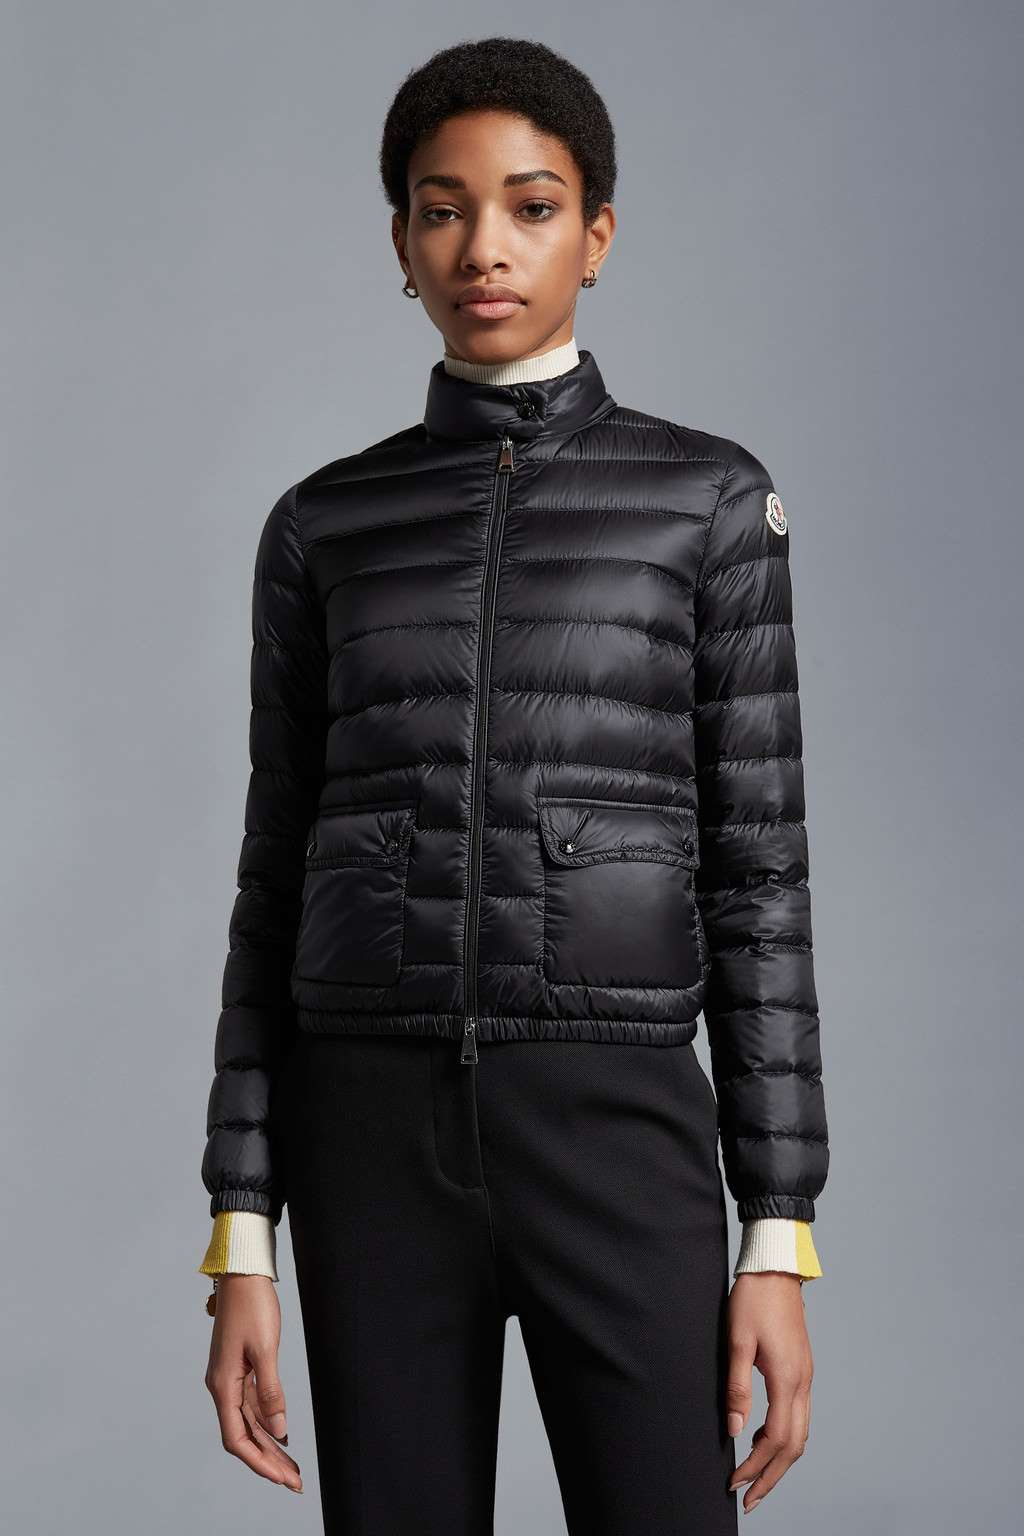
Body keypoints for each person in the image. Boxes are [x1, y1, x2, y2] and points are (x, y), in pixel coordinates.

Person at [198, 36, 829, 1535]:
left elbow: (759, 878)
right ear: (401, 243)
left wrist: (777, 1233)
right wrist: (241, 1230)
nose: (484, 247)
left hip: (615, 1124)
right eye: (443, 209)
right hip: (367, 1136)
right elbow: (273, 877)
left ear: (594, 235)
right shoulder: (324, 526)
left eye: (531, 207)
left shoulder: (710, 503)